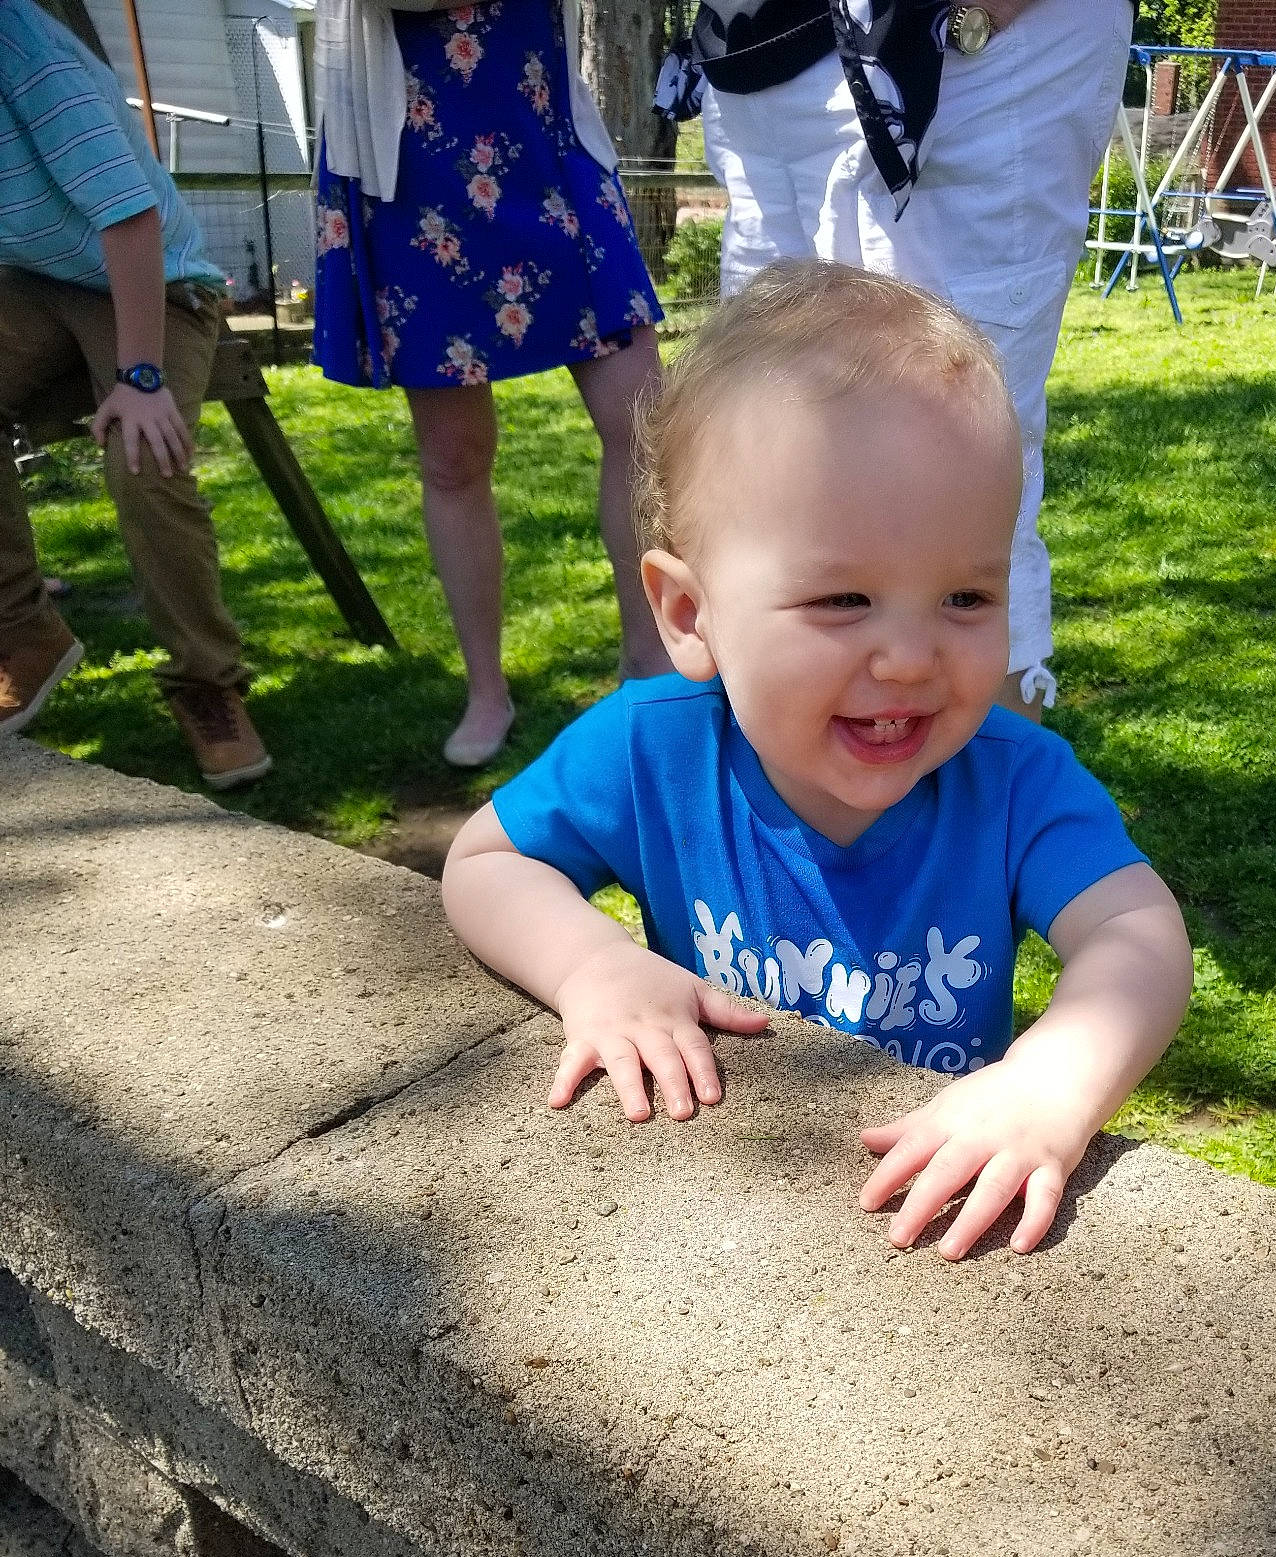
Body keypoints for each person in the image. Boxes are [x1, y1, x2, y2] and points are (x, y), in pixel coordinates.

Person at [442, 265, 1192, 1260]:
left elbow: (1138, 932)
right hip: (709, 1217)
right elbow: (486, 861)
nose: (911, 657)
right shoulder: (655, 747)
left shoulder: (1012, 779)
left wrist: (1051, 1080)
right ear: (688, 614)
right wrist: (596, 966)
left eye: (967, 598)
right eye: (844, 602)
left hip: (925, 1240)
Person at [686, 0, 1134, 722]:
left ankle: (972, 822)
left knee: (948, 472)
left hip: (961, 56)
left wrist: (965, 18)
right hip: (757, 60)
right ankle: (793, 805)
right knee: (756, 470)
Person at [312, 0, 669, 768]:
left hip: (547, 135)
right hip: (414, 162)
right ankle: (487, 690)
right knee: (453, 456)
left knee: (645, 421)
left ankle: (650, 660)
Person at [0, 0, 268, 787]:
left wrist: (141, 377)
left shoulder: (23, 48)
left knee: (141, 456)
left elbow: (130, 215)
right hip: (33, 284)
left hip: (156, 281)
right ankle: (24, 633)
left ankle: (207, 683)